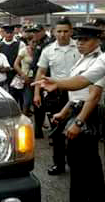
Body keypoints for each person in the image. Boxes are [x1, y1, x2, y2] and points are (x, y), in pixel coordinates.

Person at [50, 24, 105, 202]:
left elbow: (94, 96)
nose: (80, 43)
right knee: (88, 162)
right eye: (79, 39)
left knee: (81, 162)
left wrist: (79, 123)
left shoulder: (100, 60)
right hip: (78, 109)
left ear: (97, 41)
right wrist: (64, 112)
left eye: (85, 40)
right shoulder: (82, 58)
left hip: (89, 113)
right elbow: (76, 95)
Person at [34, 18, 80, 176]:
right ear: (53, 32)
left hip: (78, 92)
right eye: (59, 31)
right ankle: (58, 164)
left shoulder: (79, 48)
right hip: (55, 94)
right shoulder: (48, 50)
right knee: (57, 131)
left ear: (71, 31)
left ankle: (74, 161)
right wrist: (37, 93)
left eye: (66, 31)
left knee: (76, 130)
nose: (62, 35)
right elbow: (40, 73)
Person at [29, 23, 54, 138]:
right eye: (33, 32)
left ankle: (53, 132)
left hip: (45, 78)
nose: (35, 34)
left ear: (43, 31)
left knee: (48, 106)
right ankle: (38, 129)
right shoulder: (38, 43)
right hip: (36, 77)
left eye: (37, 31)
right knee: (38, 106)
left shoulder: (48, 44)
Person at [0, 25, 26, 99]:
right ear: (4, 33)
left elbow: (23, 59)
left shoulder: (20, 44)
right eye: (7, 33)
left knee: (18, 94)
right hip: (3, 73)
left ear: (14, 33)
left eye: (11, 33)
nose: (9, 35)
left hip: (16, 74)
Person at [13, 33, 36, 116]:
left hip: (36, 78)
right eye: (32, 42)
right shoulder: (23, 50)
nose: (34, 44)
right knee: (27, 100)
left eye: (36, 42)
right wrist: (23, 74)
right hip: (27, 79)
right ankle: (24, 118)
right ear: (28, 41)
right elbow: (15, 64)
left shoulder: (39, 50)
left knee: (36, 100)